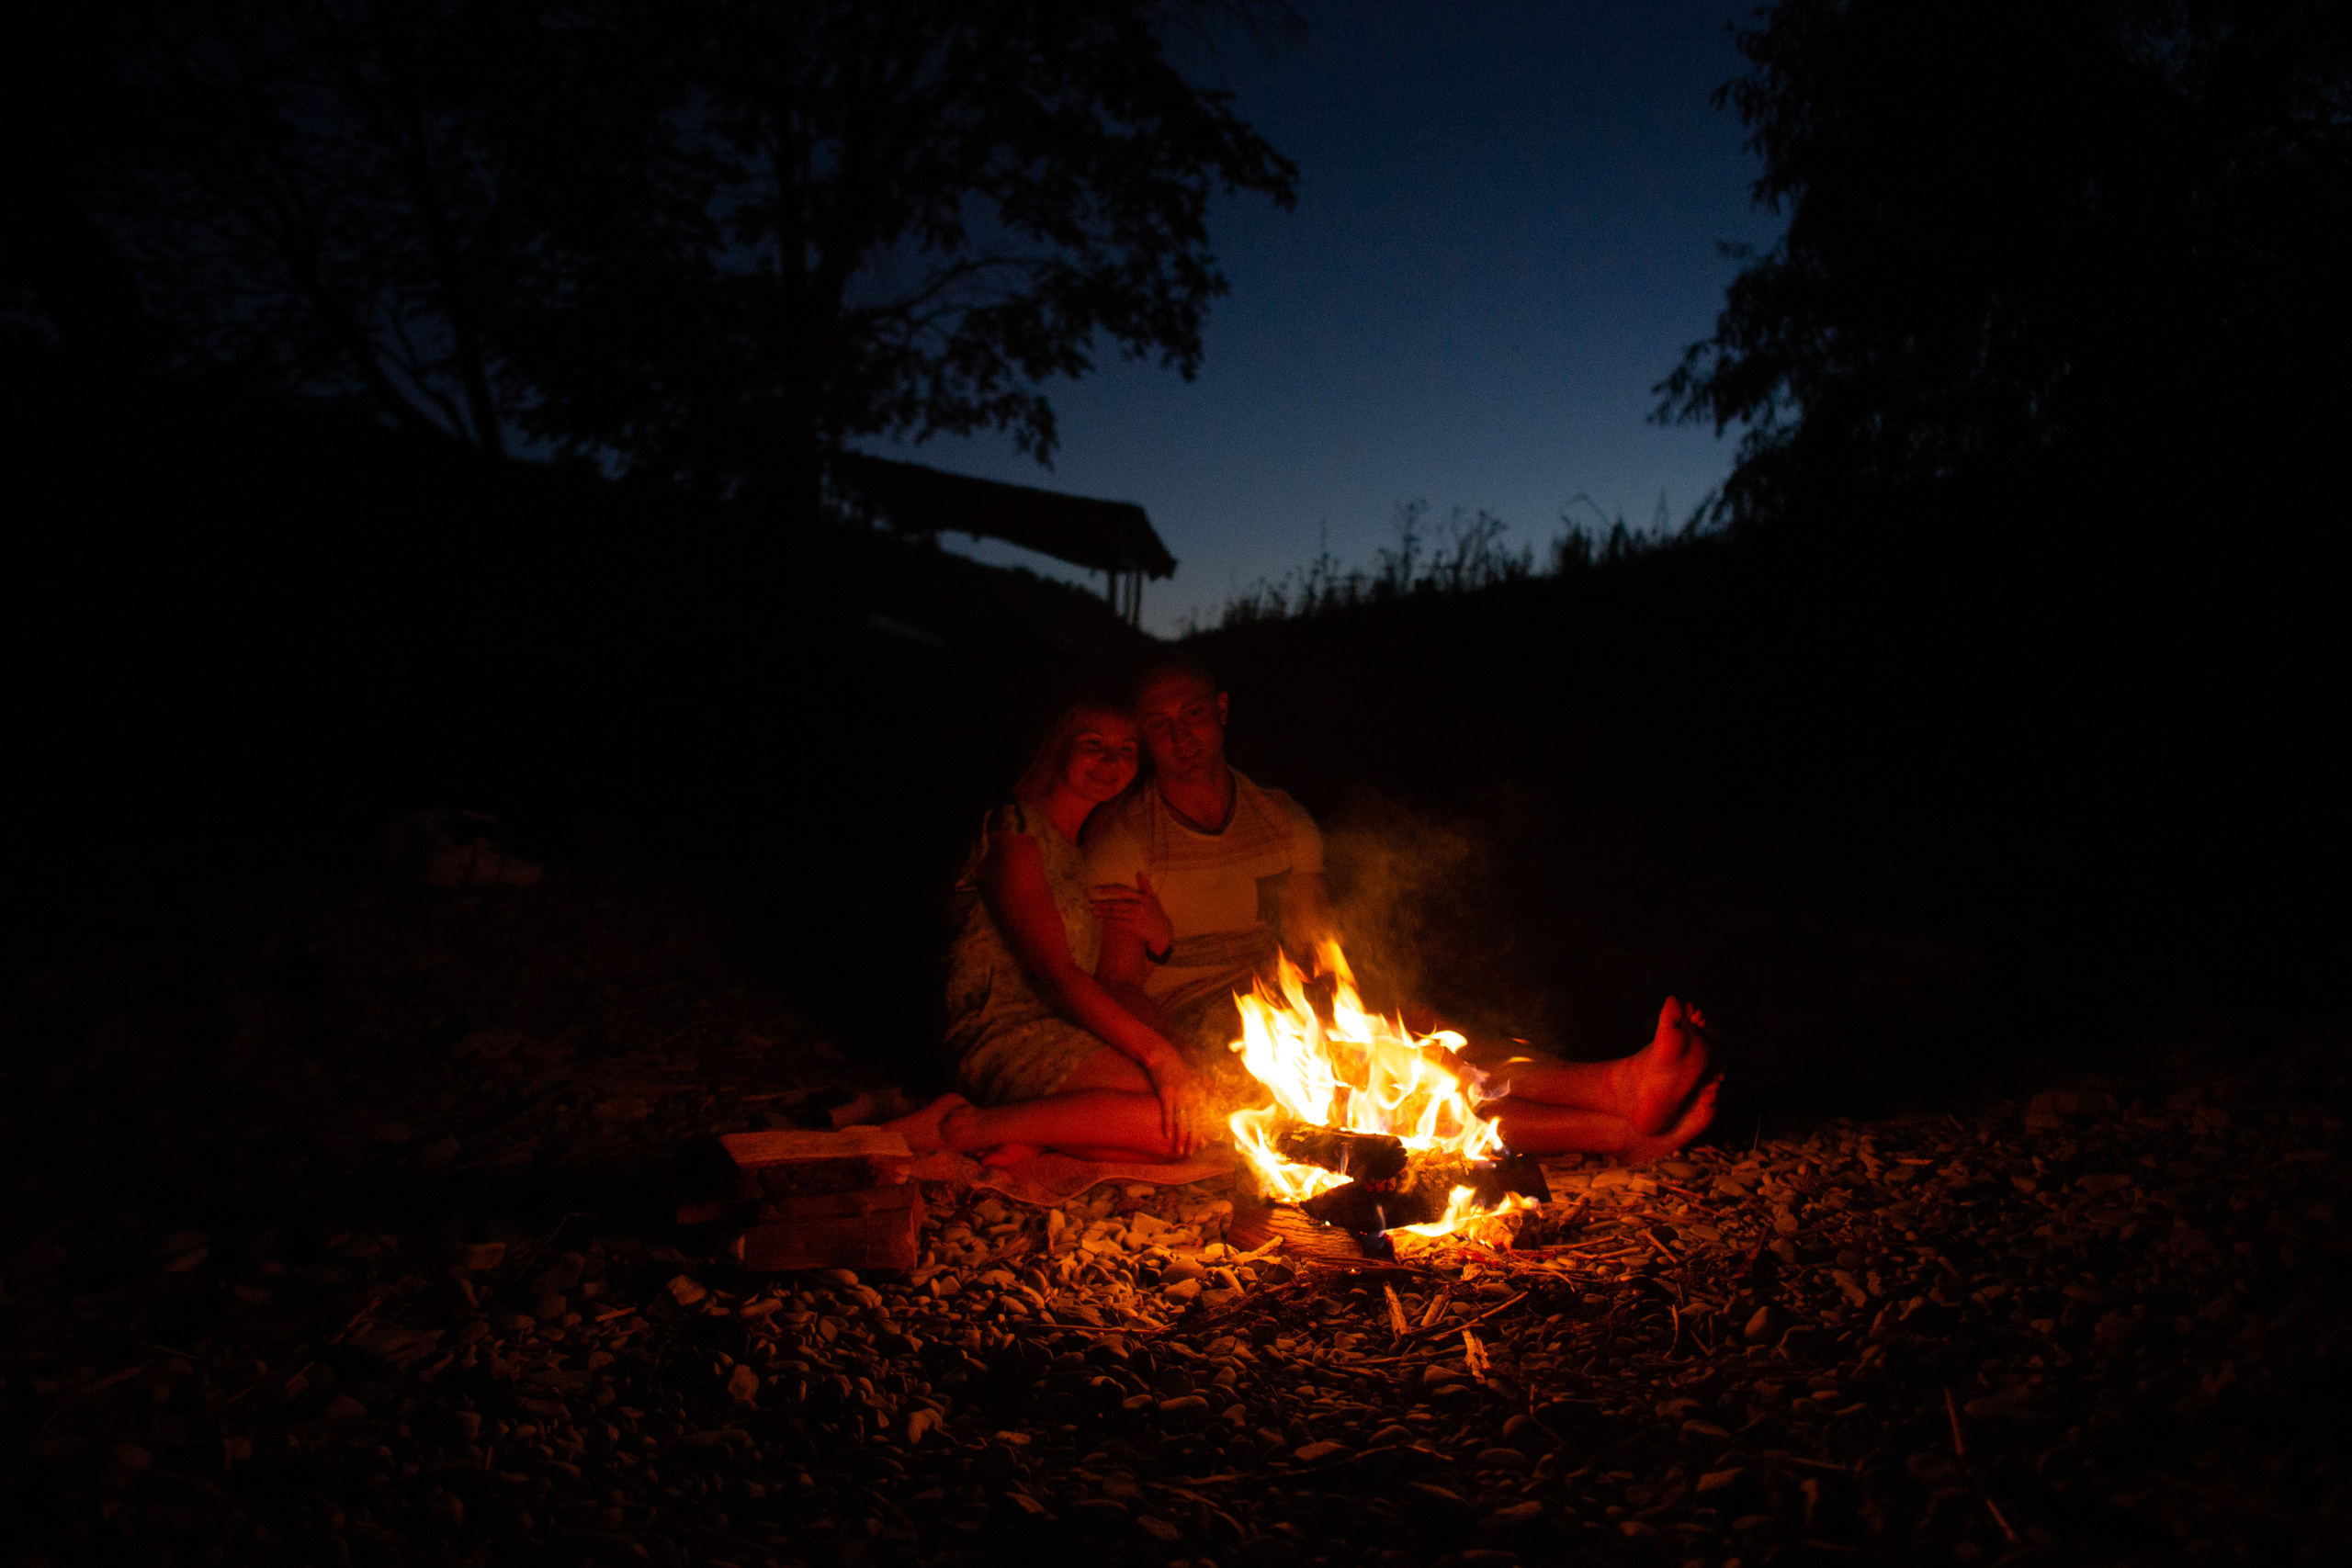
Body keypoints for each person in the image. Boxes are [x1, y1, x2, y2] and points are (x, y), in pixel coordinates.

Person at [1086, 657, 1721, 1160]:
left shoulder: (1280, 818)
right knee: (1395, 1084)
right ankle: (1618, 1130)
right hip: (1206, 1027)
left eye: (1192, 714)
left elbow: (1314, 945)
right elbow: (1117, 981)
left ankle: (1619, 1086)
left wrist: (1366, 1013)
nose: (1179, 737)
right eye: (1159, 724)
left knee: (1420, 1035)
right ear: (1143, 735)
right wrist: (1179, 1062)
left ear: (1222, 711)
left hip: (1284, 1003)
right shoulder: (1128, 837)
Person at [887, 691, 1216, 1166]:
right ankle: (963, 1127)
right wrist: (1161, 1058)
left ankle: (1037, 1130)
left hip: (1057, 1029)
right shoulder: (1012, 831)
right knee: (1178, 1124)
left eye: (1126, 750)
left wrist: (1159, 938)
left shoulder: (1076, 853)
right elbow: (1055, 972)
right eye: (1092, 744)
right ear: (1056, 746)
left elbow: (1110, 979)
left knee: (1191, 1119)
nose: (1110, 761)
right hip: (997, 1031)